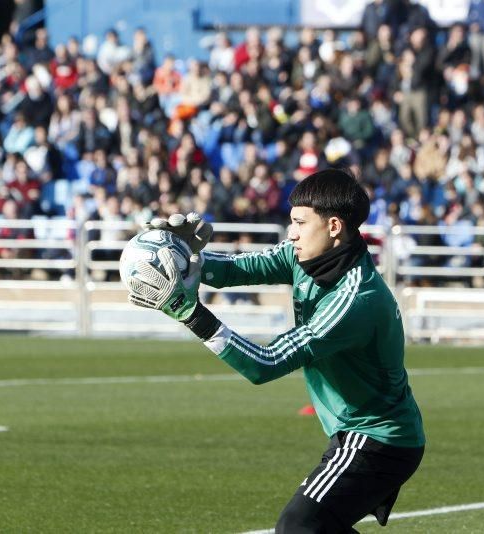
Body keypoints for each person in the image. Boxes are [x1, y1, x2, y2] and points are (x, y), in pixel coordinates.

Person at [127, 169, 425, 532]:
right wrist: (186, 253)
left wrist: (191, 314)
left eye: (300, 222)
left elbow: (265, 365)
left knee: (297, 526)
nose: (291, 232)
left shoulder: (355, 300)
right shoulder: (303, 257)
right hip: (362, 431)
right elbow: (236, 270)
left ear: (334, 227)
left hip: (379, 438)